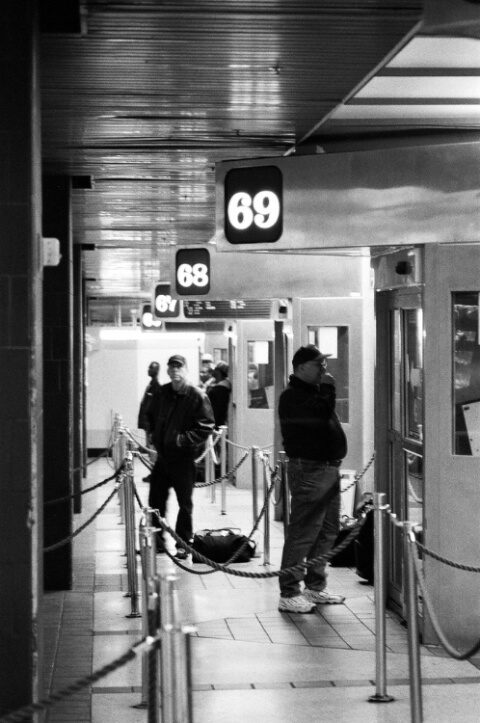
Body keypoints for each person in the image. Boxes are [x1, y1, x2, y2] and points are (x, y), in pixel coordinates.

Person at [278, 344, 348, 613]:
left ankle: (315, 586)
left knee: (328, 530)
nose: (324, 369)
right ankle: (289, 591)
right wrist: (329, 389)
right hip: (310, 472)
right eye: (319, 365)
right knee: (304, 532)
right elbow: (318, 419)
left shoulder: (312, 393)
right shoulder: (293, 396)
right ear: (301, 367)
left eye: (325, 365)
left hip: (328, 469)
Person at [146, 354, 215, 558]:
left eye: (179, 367)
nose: (175, 370)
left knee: (184, 503)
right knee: (155, 501)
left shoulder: (196, 395)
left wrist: (183, 440)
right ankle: (156, 542)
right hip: (162, 458)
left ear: (186, 370)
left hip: (183, 459)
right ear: (168, 371)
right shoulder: (162, 393)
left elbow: (206, 427)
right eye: (172, 367)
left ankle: (183, 544)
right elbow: (150, 414)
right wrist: (153, 433)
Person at [137, 361, 161, 481]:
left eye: (151, 368)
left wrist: (152, 426)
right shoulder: (151, 385)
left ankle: (156, 474)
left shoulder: (156, 387)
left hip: (152, 426)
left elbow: (154, 409)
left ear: (156, 370)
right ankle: (153, 473)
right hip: (148, 425)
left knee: (153, 451)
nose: (148, 369)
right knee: (150, 450)